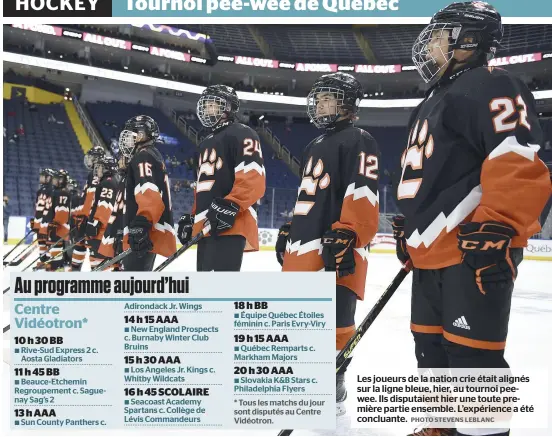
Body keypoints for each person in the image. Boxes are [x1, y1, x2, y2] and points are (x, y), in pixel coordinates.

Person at [393, 2, 552, 436]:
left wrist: (500, 225)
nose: (433, 45)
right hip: (431, 253)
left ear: (470, 39)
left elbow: (516, 158)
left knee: (472, 361)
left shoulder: (492, 84)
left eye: (443, 35)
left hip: (471, 247)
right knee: (430, 349)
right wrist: (413, 230)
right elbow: (431, 177)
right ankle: (441, 427)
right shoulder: (431, 100)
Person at [275, 72, 380, 416]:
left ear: (347, 104)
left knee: (337, 319)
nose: (319, 104)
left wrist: (349, 232)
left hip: (335, 245)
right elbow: (311, 194)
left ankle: (334, 381)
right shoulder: (314, 145)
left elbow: (362, 191)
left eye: (327, 97)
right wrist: (290, 228)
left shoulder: (359, 139)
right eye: (317, 98)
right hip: (305, 245)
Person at [177, 85, 266, 271]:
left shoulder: (242, 132)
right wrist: (193, 216)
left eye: (213, 104)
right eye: (206, 104)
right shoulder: (204, 143)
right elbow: (203, 188)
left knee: (219, 291)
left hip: (232, 221)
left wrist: (231, 204)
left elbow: (253, 176)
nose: (207, 108)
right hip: (207, 223)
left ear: (228, 107)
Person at [119, 115, 176, 271]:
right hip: (149, 229)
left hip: (145, 230)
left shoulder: (143, 156)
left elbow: (150, 193)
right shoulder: (152, 155)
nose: (128, 139)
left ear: (143, 134)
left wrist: (142, 223)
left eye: (132, 134)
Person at [70, 146, 105, 271]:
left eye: (92, 157)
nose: (89, 160)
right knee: (82, 244)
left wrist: (83, 214)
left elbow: (91, 198)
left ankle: (77, 271)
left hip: (91, 217)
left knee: (88, 245)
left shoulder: (95, 173)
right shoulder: (96, 173)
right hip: (92, 216)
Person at [85, 155, 119, 270]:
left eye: (100, 167)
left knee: (98, 267)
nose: (97, 169)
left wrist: (96, 226)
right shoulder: (109, 181)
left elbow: (105, 209)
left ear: (107, 168)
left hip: (101, 233)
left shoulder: (108, 183)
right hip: (104, 232)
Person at [99, 155, 128, 271]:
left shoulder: (116, 182)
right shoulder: (121, 180)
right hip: (117, 231)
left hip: (122, 232)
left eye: (122, 160)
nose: (119, 163)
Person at [43, 169, 72, 271]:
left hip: (58, 228)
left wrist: (55, 223)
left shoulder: (63, 193)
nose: (54, 181)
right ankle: (54, 269)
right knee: (52, 252)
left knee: (56, 252)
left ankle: (57, 272)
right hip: (53, 227)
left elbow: (62, 213)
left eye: (57, 179)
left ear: (62, 180)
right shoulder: (55, 191)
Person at [31, 168, 55, 258]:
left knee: (48, 242)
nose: (40, 178)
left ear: (49, 178)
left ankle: (48, 260)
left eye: (42, 176)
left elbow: (50, 207)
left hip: (46, 222)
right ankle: (43, 259)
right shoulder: (39, 191)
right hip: (39, 221)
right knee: (41, 242)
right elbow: (37, 207)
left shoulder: (51, 191)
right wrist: (36, 220)